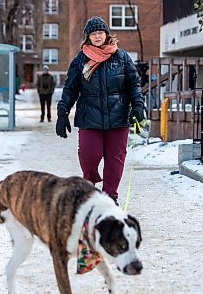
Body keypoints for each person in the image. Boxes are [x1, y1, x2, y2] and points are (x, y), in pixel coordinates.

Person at [56, 16, 145, 205]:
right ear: (88, 37)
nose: (97, 36)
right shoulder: (81, 59)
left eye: (100, 32)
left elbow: (134, 84)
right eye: (93, 33)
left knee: (115, 159)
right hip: (90, 118)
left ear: (106, 34)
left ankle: (109, 198)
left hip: (118, 117)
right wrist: (62, 113)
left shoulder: (121, 57)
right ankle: (89, 189)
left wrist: (138, 106)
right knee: (89, 155)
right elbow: (70, 88)